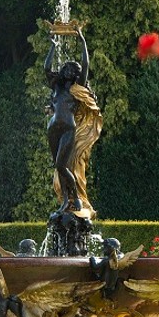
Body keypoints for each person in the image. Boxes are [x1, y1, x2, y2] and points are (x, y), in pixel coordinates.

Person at [44, 28, 101, 216]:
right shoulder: (57, 87)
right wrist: (52, 46)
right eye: (66, 68)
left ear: (75, 74)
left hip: (68, 128)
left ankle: (75, 197)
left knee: (62, 165)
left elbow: (86, 64)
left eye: (72, 69)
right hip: (53, 129)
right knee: (58, 167)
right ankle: (65, 201)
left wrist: (83, 40)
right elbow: (46, 68)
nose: (69, 70)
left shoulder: (77, 89)